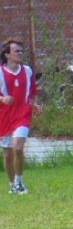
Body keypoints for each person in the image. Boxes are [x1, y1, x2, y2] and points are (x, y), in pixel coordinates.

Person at [0, 39, 41, 195]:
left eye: (21, 51)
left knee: (18, 148)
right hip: (4, 117)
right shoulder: (0, 72)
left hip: (22, 114)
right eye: (16, 51)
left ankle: (19, 182)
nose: (20, 53)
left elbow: (32, 92)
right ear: (7, 54)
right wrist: (2, 99)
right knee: (8, 155)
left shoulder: (27, 71)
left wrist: (35, 104)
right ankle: (12, 185)